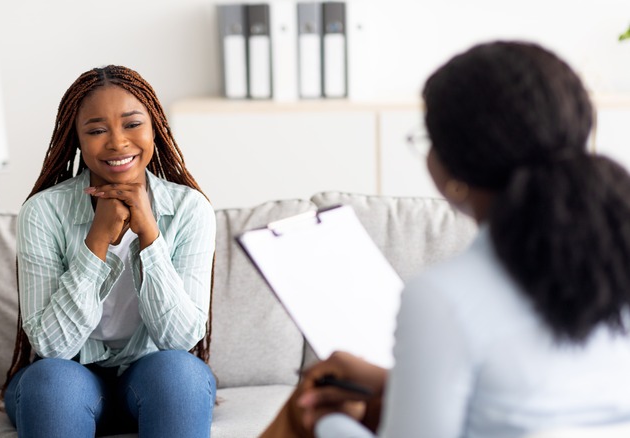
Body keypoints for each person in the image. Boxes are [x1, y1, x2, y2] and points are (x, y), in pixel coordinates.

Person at [262, 41, 630, 438]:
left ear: (453, 169)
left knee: (310, 407)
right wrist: (391, 381)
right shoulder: (614, 257)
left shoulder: (444, 297)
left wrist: (327, 423)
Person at [0, 65, 217, 438]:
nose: (117, 142)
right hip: (69, 375)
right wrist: (95, 242)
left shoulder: (190, 209)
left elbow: (179, 341)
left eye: (132, 124)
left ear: (156, 128)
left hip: (154, 379)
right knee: (52, 383)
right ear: (77, 140)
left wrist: (150, 235)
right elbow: (53, 345)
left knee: (180, 375)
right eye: (97, 130)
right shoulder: (43, 212)